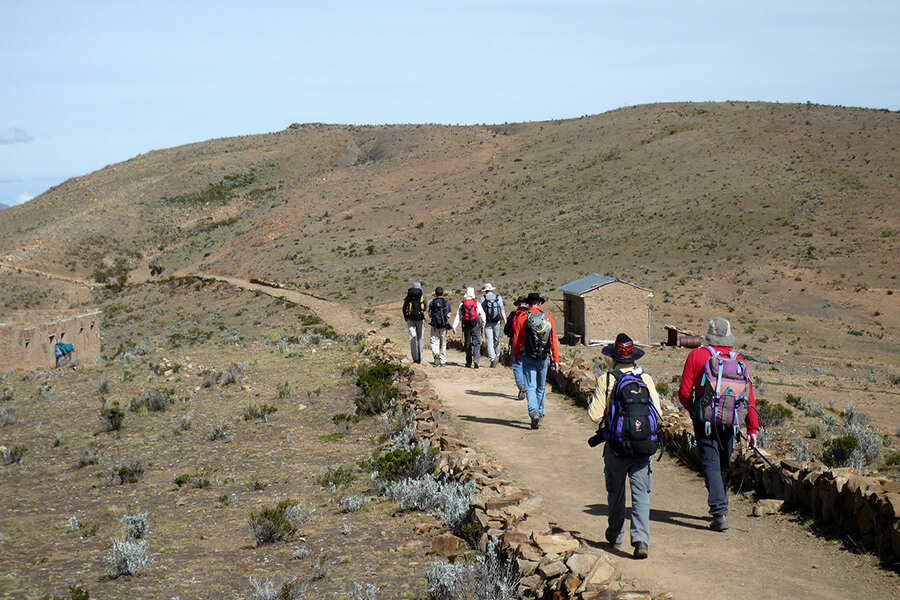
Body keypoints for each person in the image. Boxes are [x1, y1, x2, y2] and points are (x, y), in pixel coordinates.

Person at [678, 317, 758, 532]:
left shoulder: (697, 356)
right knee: (724, 462)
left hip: (705, 420)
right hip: (731, 421)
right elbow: (750, 399)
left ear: (709, 335)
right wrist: (752, 429)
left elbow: (684, 393)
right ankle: (721, 505)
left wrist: (695, 410)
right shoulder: (740, 361)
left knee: (711, 462)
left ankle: (719, 511)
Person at [588, 334, 662, 559]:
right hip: (642, 448)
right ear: (633, 358)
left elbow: (594, 416)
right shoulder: (646, 379)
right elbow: (657, 414)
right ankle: (640, 541)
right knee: (641, 494)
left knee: (616, 492)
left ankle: (615, 535)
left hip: (616, 447)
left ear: (613, 358)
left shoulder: (607, 380)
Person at [512, 292, 559, 429]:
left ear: (528, 304)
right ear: (540, 303)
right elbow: (553, 340)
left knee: (530, 386)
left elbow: (516, 339)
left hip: (527, 356)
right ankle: (541, 412)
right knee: (541, 386)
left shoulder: (523, 317)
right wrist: (555, 359)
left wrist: (515, 355)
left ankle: (533, 411)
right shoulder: (548, 317)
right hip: (543, 357)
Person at [452, 287, 486, 368]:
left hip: (466, 325)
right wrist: (483, 324)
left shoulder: (462, 304)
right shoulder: (476, 303)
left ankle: (468, 362)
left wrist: (454, 327)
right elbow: (482, 315)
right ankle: (476, 360)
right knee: (476, 342)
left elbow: (458, 316)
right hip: (475, 324)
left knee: (467, 343)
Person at [504, 296, 530, 399]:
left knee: (517, 367)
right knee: (527, 367)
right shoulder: (530, 314)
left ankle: (521, 386)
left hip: (515, 345)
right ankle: (529, 388)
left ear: (518, 305)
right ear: (526, 304)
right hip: (528, 346)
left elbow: (506, 330)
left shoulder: (513, 315)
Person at [480, 283, 507, 368]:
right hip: (497, 321)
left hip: (487, 322)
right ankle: (497, 356)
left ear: (485, 290)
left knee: (489, 341)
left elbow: (481, 312)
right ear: (491, 289)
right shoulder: (498, 298)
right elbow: (502, 310)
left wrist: (482, 324)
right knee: (497, 340)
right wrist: (506, 321)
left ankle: (492, 359)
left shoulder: (483, 298)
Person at [428, 287, 455, 367]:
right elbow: (449, 315)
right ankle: (443, 361)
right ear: (443, 293)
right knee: (443, 344)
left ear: (435, 294)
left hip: (435, 325)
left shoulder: (432, 303)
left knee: (434, 341)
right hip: (443, 325)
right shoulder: (446, 303)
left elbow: (430, 315)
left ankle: (436, 354)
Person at [402, 283, 428, 364]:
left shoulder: (409, 296)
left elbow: (404, 308)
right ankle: (420, 357)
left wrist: (406, 316)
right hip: (420, 319)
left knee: (412, 338)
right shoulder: (423, 296)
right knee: (420, 338)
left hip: (410, 319)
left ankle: (415, 358)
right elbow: (425, 307)